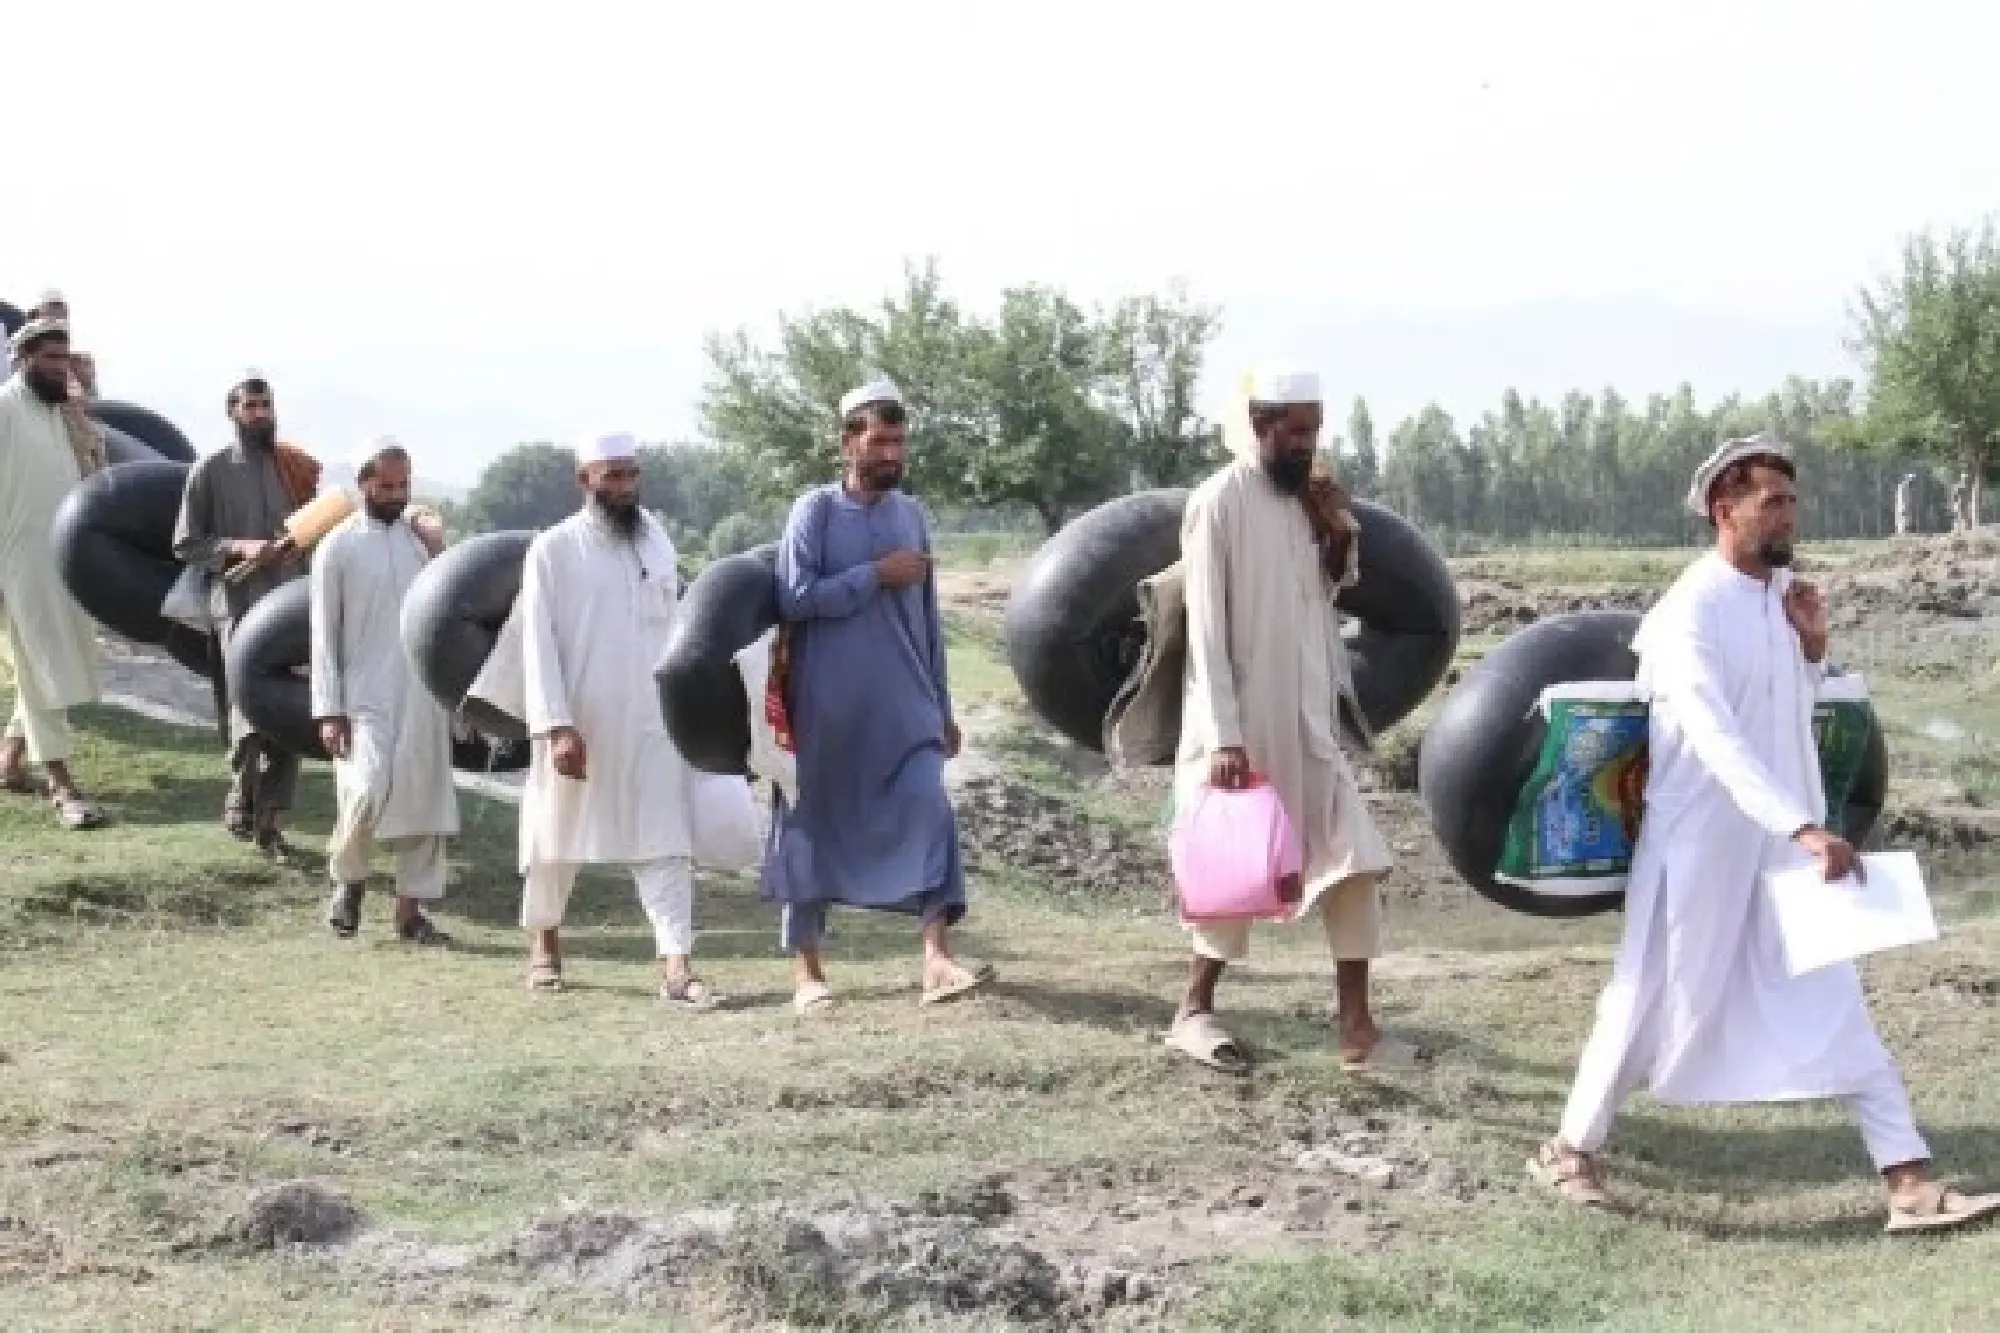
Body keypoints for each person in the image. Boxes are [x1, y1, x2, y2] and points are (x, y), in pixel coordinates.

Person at [1531, 434, 2000, 1235]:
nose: (1789, 515)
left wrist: (1813, 650)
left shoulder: (1781, 599)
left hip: (1782, 846)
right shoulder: (1689, 610)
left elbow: (1782, 713)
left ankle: (1910, 1181)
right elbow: (1715, 736)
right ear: (1725, 511)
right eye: (1771, 501)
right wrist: (1804, 825)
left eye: (1792, 499)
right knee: (1646, 994)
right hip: (1700, 848)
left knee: (1836, 995)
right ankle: (1571, 1148)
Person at [1155, 367, 1405, 1075]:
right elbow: (1204, 628)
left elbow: (1324, 590)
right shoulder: (1217, 502)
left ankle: (1357, 1027)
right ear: (1261, 427)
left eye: (1314, 430)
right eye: (1295, 431)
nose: (1306, 444)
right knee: (1233, 873)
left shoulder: (1306, 501)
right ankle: (1193, 1009)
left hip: (1307, 716)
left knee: (1353, 859)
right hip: (1240, 724)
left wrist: (1333, 527)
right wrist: (1224, 736)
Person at [760, 377, 991, 1016]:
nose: (892, 454)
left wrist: (941, 705)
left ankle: (936, 959)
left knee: (928, 806)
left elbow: (928, 620)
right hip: (826, 706)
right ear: (848, 443)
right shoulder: (815, 511)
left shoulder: (910, 515)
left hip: (905, 701)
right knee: (809, 824)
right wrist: (872, 576)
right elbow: (796, 598)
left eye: (899, 442)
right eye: (881, 441)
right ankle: (808, 971)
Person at [516, 431, 719, 1007]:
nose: (625, 487)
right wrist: (556, 725)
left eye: (632, 474)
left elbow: (674, 622)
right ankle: (545, 947)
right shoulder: (552, 550)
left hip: (653, 720)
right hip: (578, 719)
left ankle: (677, 967)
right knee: (555, 837)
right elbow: (537, 642)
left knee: (666, 839)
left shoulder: (655, 538)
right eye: (613, 476)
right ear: (586, 480)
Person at [310, 438, 458, 945]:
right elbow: (323, 633)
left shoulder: (421, 542)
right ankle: (348, 883)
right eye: (386, 486)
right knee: (365, 791)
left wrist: (438, 547)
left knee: (424, 804)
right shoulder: (339, 546)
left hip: (423, 694)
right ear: (364, 485)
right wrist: (329, 709)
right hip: (363, 696)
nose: (396, 495)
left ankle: (409, 914)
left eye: (404, 486)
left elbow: (452, 604)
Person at [172, 373, 319, 855]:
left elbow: (312, 531)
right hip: (235, 606)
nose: (261, 414)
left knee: (291, 710)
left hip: (289, 606)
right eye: (251, 406)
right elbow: (187, 544)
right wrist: (239, 547)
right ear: (233, 413)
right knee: (244, 707)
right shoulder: (210, 470)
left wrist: (299, 547)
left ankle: (271, 819)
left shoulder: (292, 466)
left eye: (266, 405)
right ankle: (241, 792)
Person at [0, 319, 106, 828]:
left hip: (63, 560)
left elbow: (94, 469)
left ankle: (12, 758)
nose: (60, 368)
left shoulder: (61, 413)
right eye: (49, 359)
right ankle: (62, 786)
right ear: (23, 359)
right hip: (16, 561)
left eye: (65, 359)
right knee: (40, 664)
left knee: (51, 659)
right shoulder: (4, 409)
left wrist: (79, 414)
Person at [1893, 472, 1916, 537]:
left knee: (1906, 520)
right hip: (1902, 506)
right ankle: (1901, 533)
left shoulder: (1905, 486)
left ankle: (1904, 533)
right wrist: (1903, 505)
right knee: (1902, 520)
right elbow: (1901, 497)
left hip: (1904, 506)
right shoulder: (1903, 486)